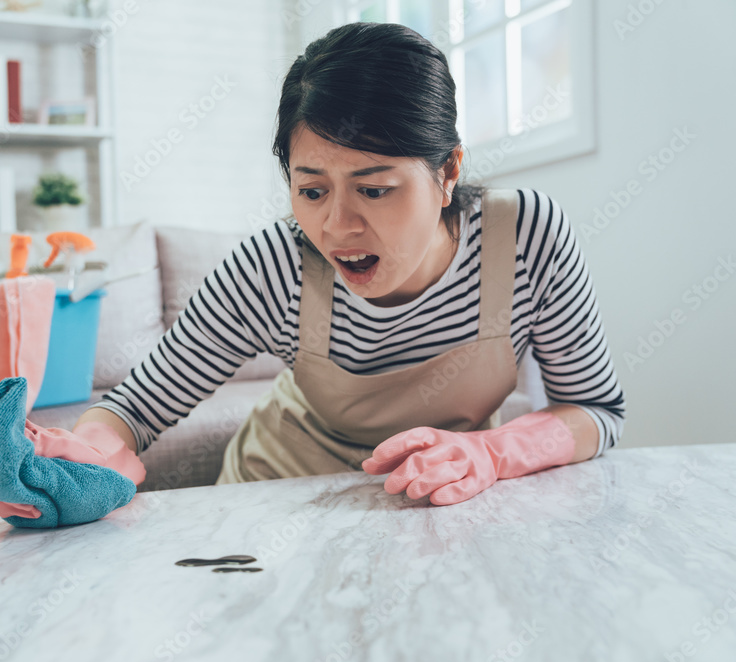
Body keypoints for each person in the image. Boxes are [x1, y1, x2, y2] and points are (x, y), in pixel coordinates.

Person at [71, 21, 626, 506]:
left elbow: (596, 410)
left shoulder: (525, 237)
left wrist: (490, 452)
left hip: (445, 503)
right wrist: (78, 460)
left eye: (376, 190)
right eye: (312, 192)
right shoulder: (273, 267)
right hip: (279, 503)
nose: (337, 227)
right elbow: (133, 410)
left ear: (448, 171)